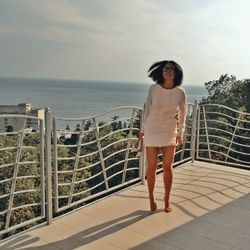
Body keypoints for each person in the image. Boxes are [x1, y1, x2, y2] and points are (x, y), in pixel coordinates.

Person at [140, 60, 187, 213]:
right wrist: (143, 130)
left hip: (169, 131)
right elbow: (147, 109)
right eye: (166, 68)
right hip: (152, 129)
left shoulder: (180, 92)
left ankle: (167, 200)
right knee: (152, 167)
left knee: (168, 167)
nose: (168, 71)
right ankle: (152, 199)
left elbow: (183, 114)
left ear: (176, 73)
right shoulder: (153, 89)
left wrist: (180, 134)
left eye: (172, 69)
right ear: (161, 71)